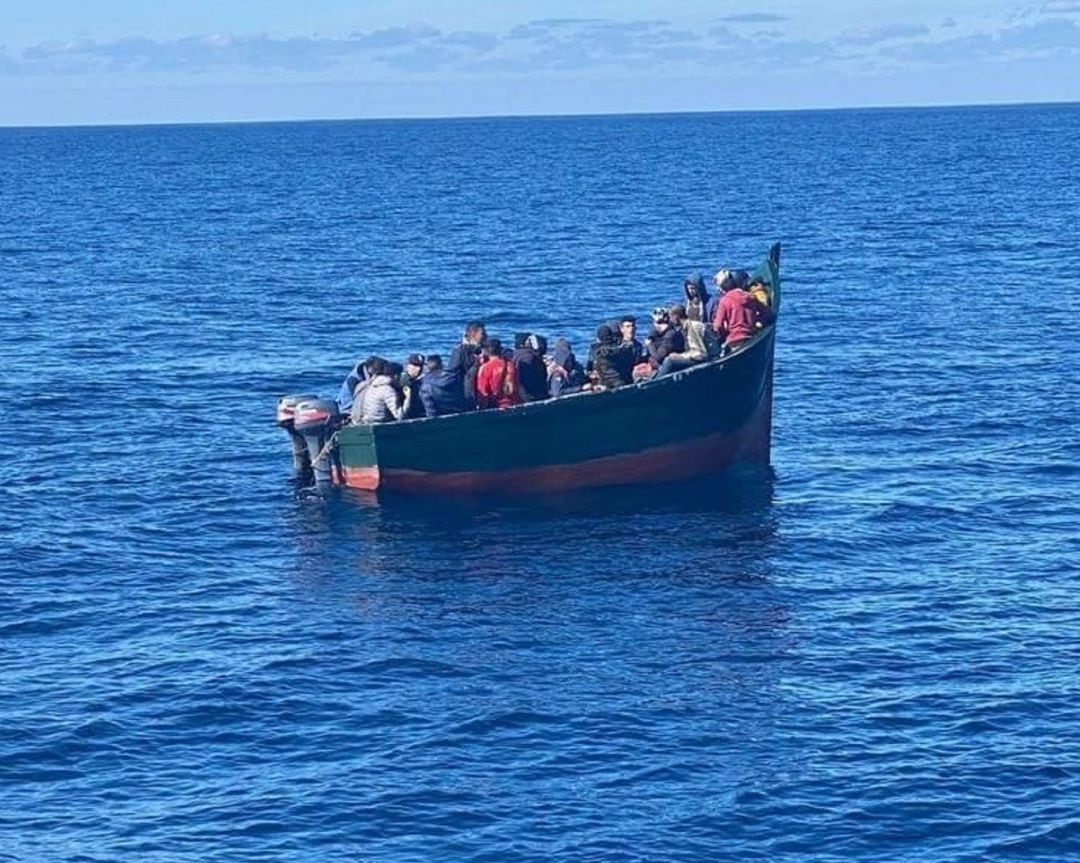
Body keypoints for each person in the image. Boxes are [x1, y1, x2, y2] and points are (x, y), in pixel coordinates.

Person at [711, 268, 776, 351]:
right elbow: (769, 314)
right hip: (751, 339)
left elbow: (717, 326)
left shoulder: (724, 301)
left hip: (733, 341)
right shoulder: (751, 297)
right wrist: (759, 323)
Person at [655, 304, 719, 377]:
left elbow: (700, 354)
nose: (670, 320)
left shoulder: (694, 327)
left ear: (676, 317)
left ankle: (655, 383)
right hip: (700, 356)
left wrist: (680, 356)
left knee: (670, 361)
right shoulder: (684, 328)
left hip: (710, 358)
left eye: (670, 317)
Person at [352, 358, 408, 424]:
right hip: (377, 424)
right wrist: (408, 397)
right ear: (395, 376)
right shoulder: (387, 390)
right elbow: (399, 416)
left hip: (360, 422)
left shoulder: (368, 385)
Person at [448, 320, 487, 410]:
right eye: (483, 333)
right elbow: (452, 374)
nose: (485, 336)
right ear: (473, 334)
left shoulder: (483, 349)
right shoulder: (460, 351)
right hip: (467, 392)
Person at [476, 338, 523, 410]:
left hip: (497, 406)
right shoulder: (510, 364)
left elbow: (483, 393)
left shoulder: (486, 368)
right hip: (515, 404)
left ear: (485, 351)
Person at [591, 324, 638, 390]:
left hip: (609, 386)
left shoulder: (598, 352)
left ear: (598, 339)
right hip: (627, 383)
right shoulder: (623, 349)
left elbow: (593, 368)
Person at [645, 307, 685, 372]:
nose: (656, 326)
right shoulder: (657, 333)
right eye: (655, 323)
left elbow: (658, 357)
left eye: (660, 323)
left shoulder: (670, 334)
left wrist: (650, 344)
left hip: (668, 367)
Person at [513, 332, 549, 402]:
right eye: (529, 341)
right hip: (531, 396)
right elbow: (530, 379)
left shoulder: (515, 354)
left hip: (520, 394)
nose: (531, 343)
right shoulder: (529, 357)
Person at [400, 354, 426, 420]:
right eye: (415, 365)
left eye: (421, 366)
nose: (419, 369)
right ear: (408, 365)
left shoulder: (418, 381)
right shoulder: (404, 380)